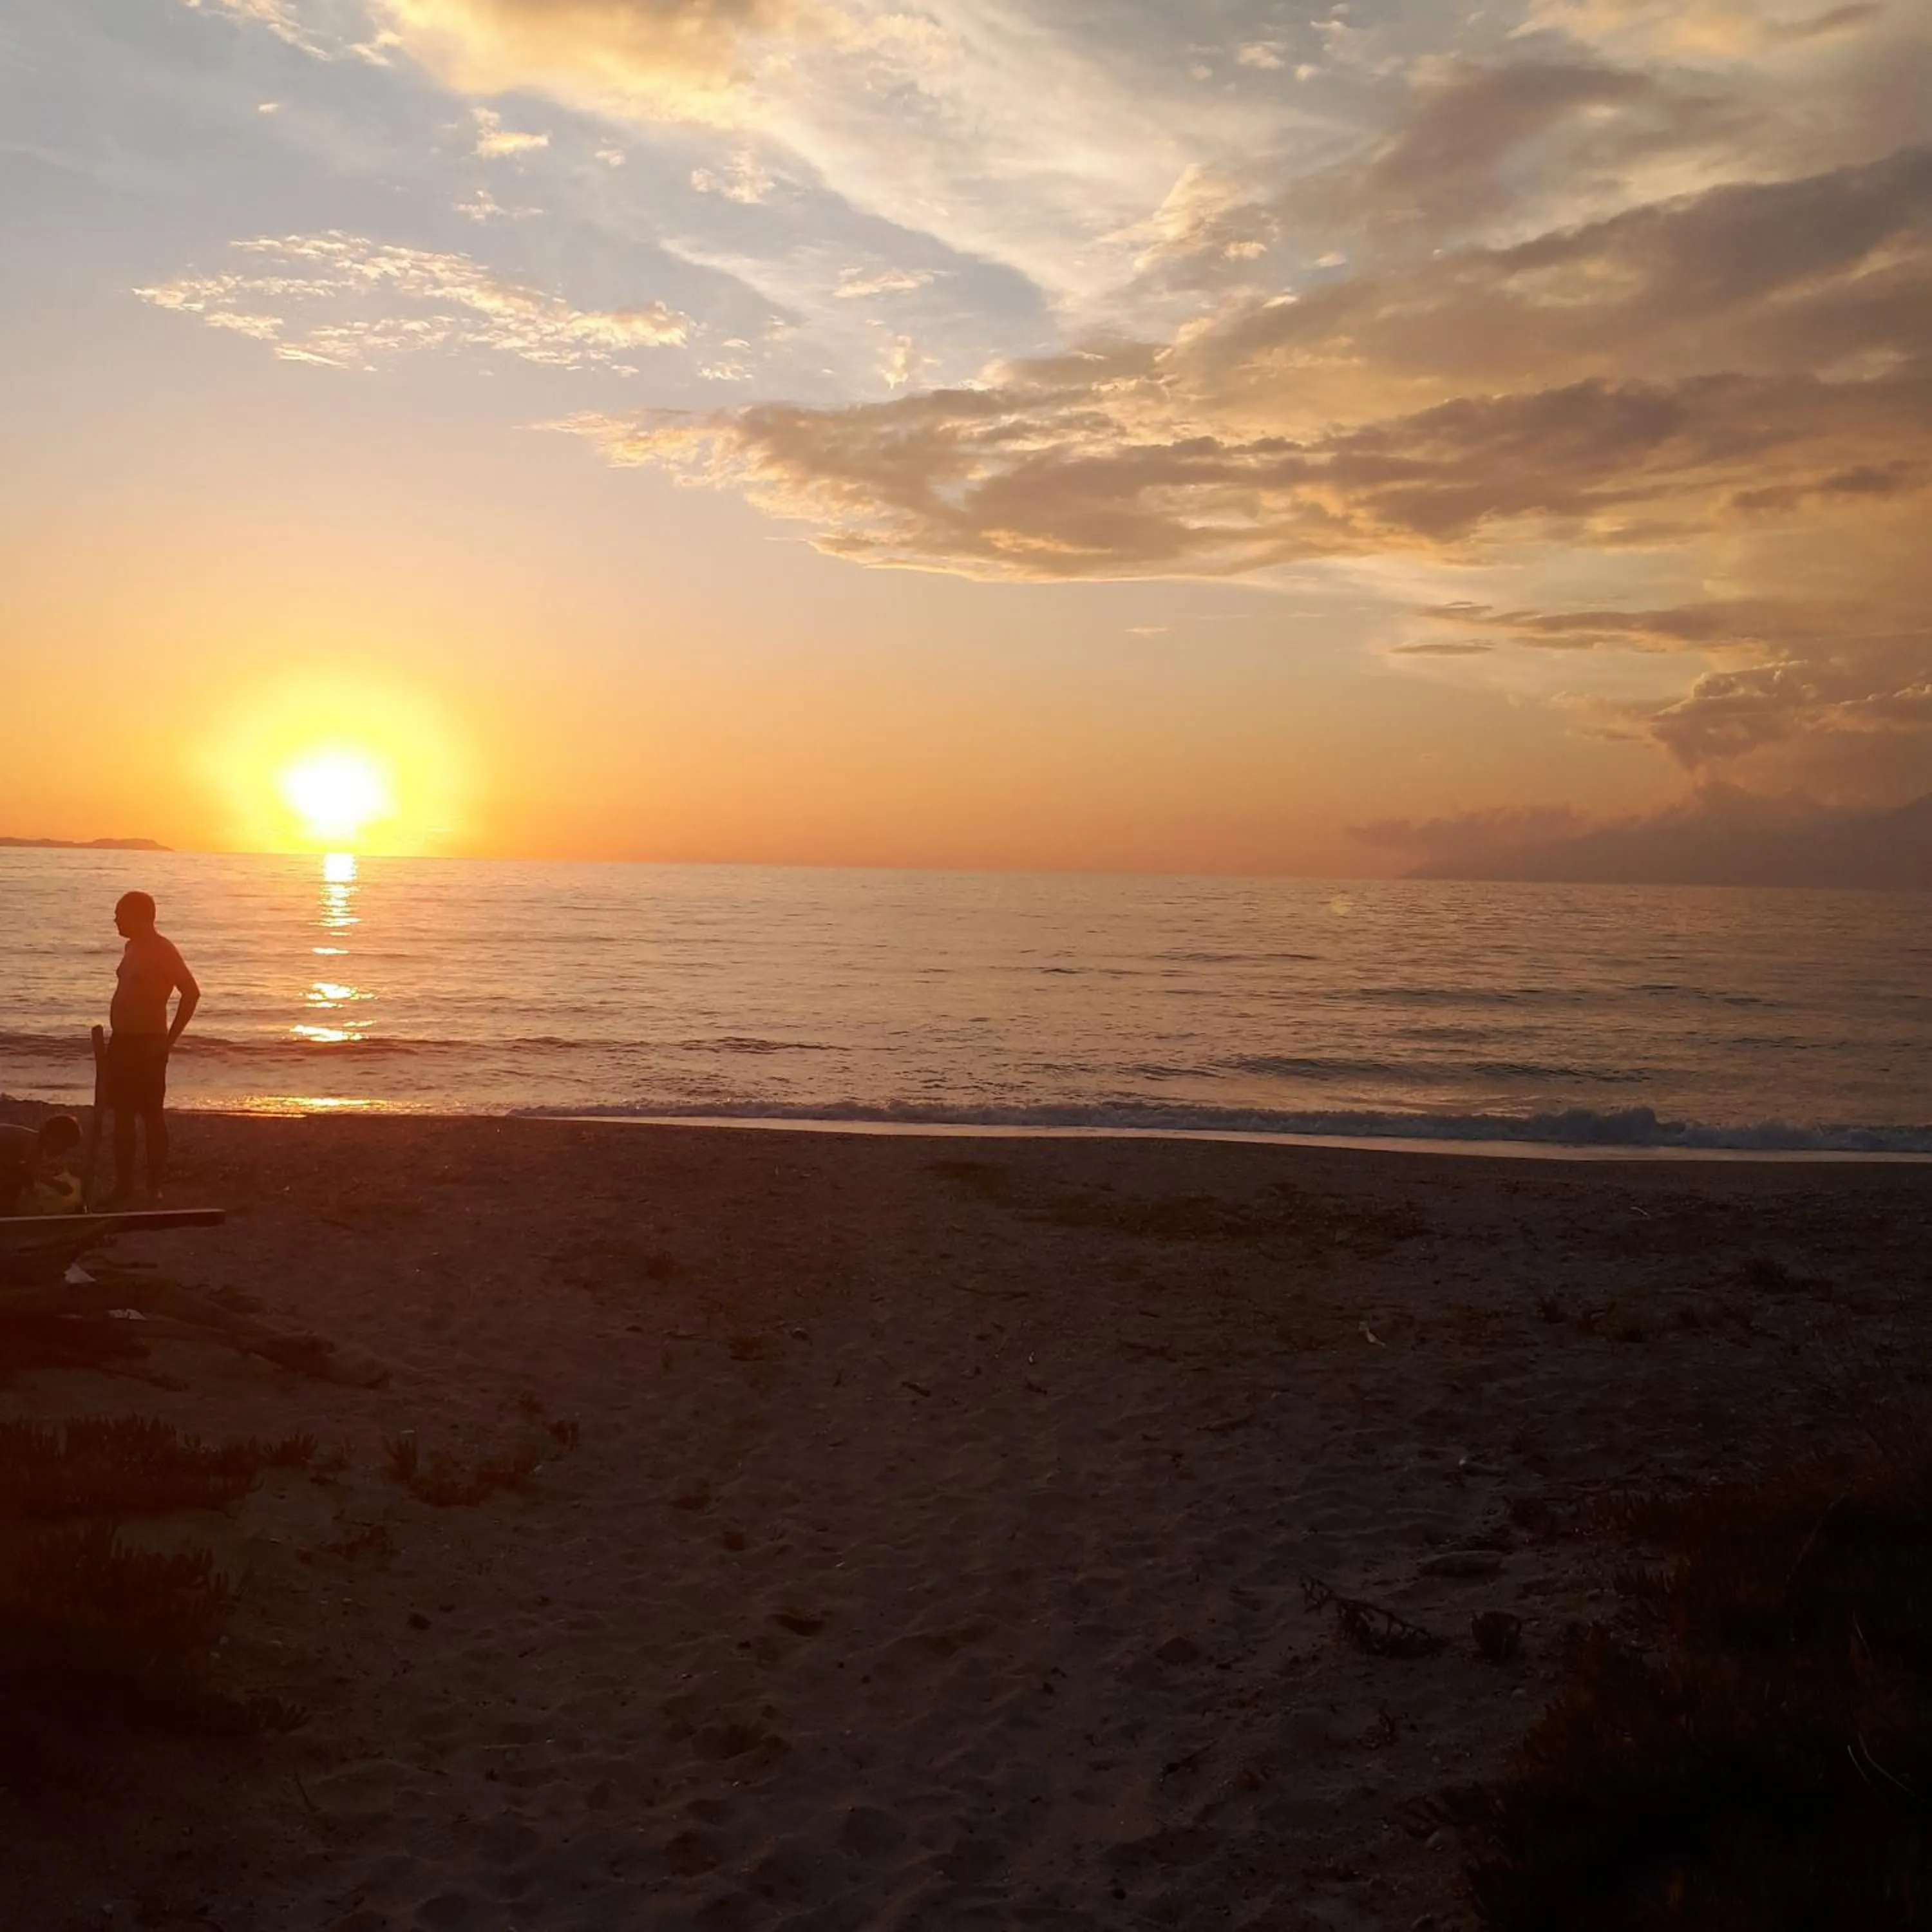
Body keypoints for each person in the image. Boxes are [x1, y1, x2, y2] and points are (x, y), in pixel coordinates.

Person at [106, 891, 199, 1205]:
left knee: (151, 1115)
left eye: (120, 913)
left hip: (148, 1043)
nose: (115, 919)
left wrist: (168, 1041)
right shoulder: (131, 946)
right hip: (122, 1042)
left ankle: (153, 1185)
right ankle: (123, 1184)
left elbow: (191, 993)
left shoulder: (163, 950)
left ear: (140, 916)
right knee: (121, 1115)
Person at [0, 1116, 82, 1216]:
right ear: (51, 1136)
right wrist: (56, 1184)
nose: (62, 1152)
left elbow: (25, 1169)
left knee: (17, 1177)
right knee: (11, 1182)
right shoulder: (32, 1145)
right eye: (63, 1146)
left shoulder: (34, 1142)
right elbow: (31, 1170)